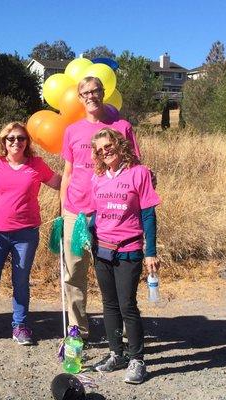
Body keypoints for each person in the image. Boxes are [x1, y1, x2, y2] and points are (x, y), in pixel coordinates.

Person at [60, 76, 141, 342]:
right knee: (73, 273)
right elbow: (68, 172)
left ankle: (123, 333)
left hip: (111, 215)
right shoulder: (72, 130)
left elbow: (134, 169)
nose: (91, 96)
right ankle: (76, 332)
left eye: (95, 91)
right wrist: (63, 213)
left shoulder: (122, 126)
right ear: (79, 97)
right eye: (85, 93)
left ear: (103, 92)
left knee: (115, 275)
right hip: (76, 213)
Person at [0, 122, 61, 345]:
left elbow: (59, 183)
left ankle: (20, 326)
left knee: (20, 280)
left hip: (26, 233)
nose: (16, 142)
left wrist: (84, 175)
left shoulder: (36, 164)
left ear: (27, 141)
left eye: (21, 138)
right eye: (11, 138)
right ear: (3, 142)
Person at [90, 128, 160, 384]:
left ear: (119, 144)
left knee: (127, 305)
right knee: (109, 305)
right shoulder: (97, 178)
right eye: (99, 150)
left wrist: (150, 252)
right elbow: (94, 214)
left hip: (129, 249)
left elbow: (149, 215)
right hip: (102, 249)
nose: (105, 152)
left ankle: (137, 360)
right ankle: (115, 353)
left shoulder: (139, 174)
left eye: (108, 146)